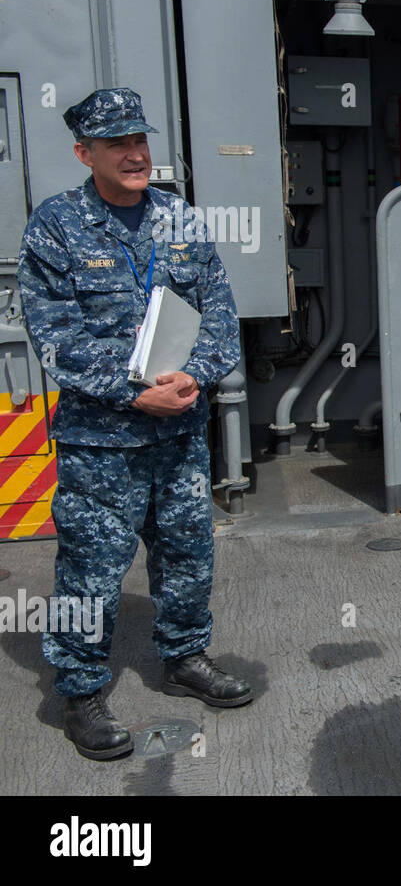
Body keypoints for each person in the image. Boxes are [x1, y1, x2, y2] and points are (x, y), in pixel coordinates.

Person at [18, 87, 250, 761]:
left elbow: (221, 314)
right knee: (90, 569)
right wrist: (132, 390)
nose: (135, 152)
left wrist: (194, 375)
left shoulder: (178, 217)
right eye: (117, 143)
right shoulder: (56, 226)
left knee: (187, 553)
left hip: (177, 431)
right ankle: (80, 689)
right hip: (102, 443)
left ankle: (184, 655)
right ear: (83, 152)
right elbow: (55, 338)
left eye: (140, 139)